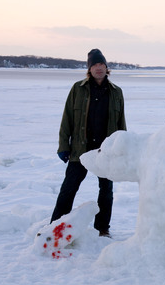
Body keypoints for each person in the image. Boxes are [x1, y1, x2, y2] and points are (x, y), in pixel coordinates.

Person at [50, 48, 127, 237]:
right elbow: (66, 119)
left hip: (106, 151)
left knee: (106, 191)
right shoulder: (78, 89)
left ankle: (102, 228)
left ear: (106, 67)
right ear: (89, 69)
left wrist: (122, 148)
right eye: (95, 65)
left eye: (101, 65)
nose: (99, 68)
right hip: (80, 149)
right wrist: (63, 146)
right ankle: (55, 227)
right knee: (68, 189)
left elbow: (121, 123)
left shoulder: (116, 92)